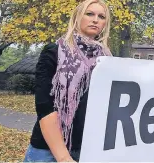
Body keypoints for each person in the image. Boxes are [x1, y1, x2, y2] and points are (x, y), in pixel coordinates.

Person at [23, 0, 112, 162]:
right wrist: (63, 157)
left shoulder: (107, 60)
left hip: (88, 149)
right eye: (89, 13)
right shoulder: (54, 51)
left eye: (101, 16)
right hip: (49, 151)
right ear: (77, 17)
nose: (95, 20)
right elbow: (45, 107)